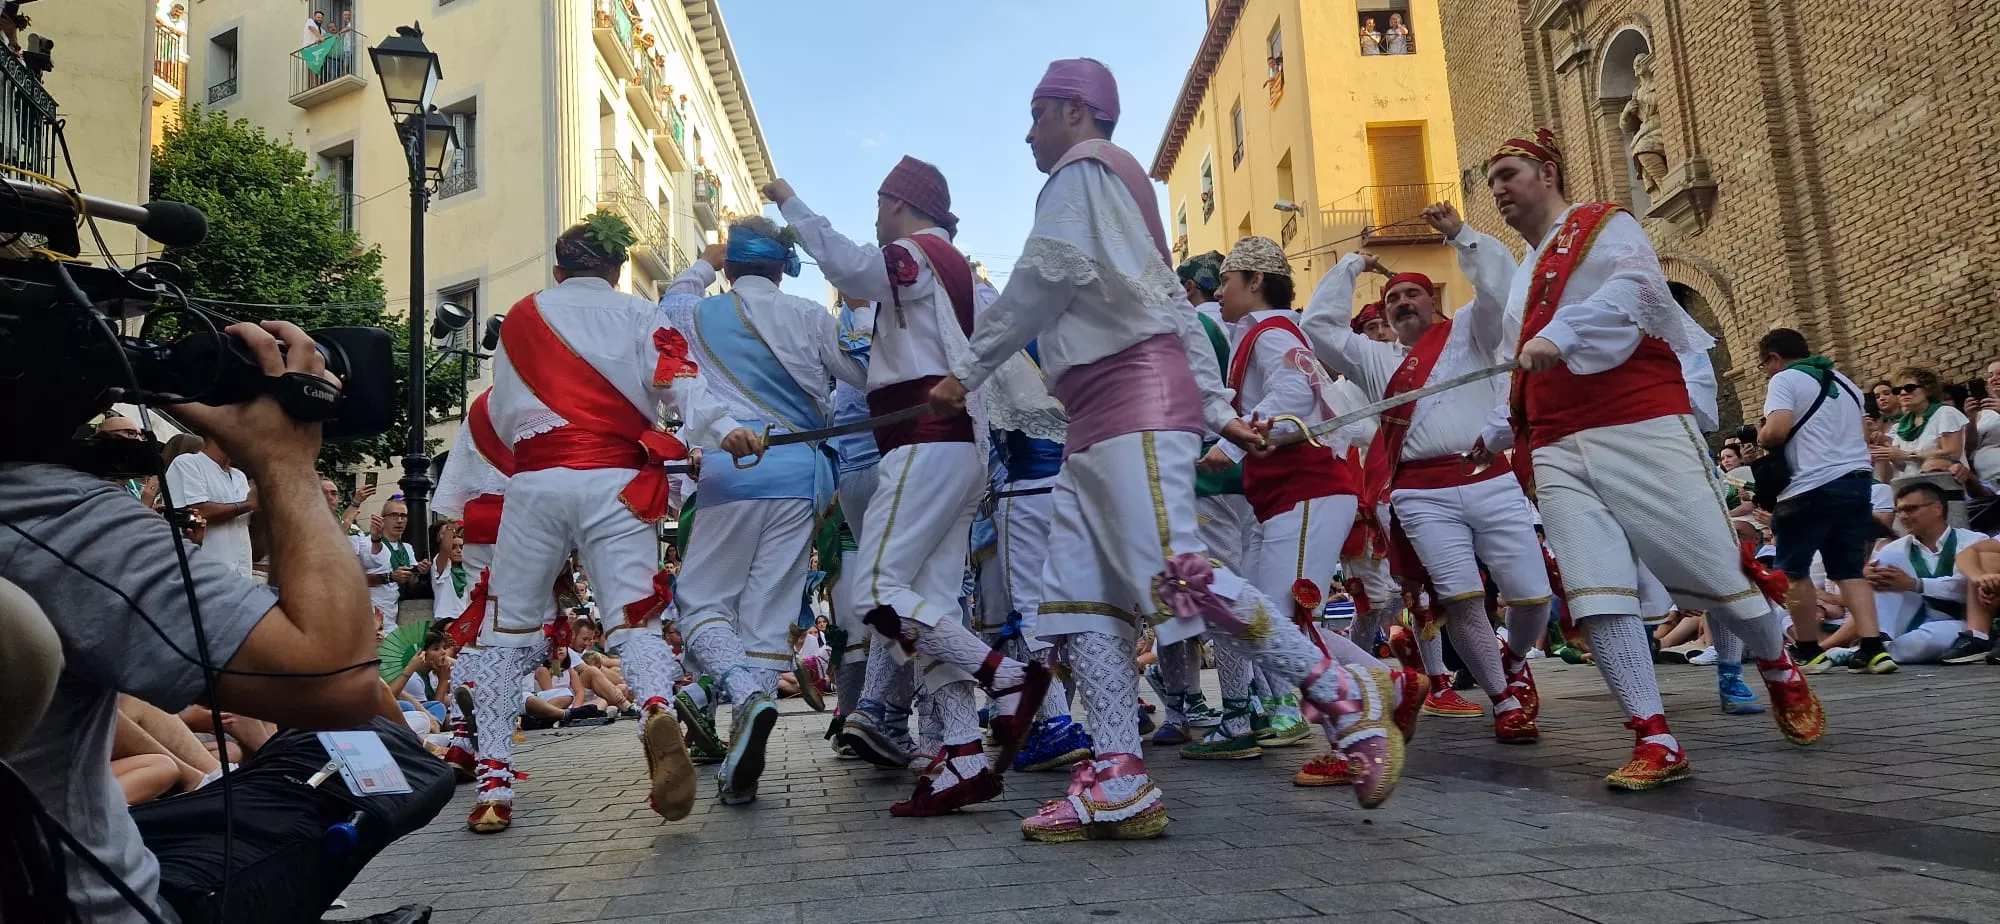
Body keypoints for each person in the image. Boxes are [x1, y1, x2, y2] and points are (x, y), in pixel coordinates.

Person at [929, 59, 1418, 838]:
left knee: (1177, 572)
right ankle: (1119, 774)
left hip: (1127, 406)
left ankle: (1337, 691)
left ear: (1073, 111)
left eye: (1037, 113)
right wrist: (1220, 411)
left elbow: (1041, 277)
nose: (1028, 132)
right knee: (1080, 597)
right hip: (1100, 415)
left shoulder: (1080, 172)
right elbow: (1169, 305)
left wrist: (966, 370)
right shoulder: (1118, 189)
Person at [2, 320, 397, 923]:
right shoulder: (40, 510)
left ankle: (222, 776)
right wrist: (287, 463)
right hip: (82, 903)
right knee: (371, 758)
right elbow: (336, 682)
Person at [1472, 129, 1821, 790]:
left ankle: (1777, 662)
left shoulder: (1605, 225)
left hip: (1635, 419)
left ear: (1547, 171)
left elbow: (1640, 293)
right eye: (1492, 181)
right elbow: (1511, 367)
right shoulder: (1524, 275)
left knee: (1714, 567)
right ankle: (1653, 735)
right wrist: (1495, 429)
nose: (1498, 190)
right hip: (1553, 441)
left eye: (1509, 174)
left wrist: (1564, 331)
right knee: (1594, 586)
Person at [459, 213, 762, 834]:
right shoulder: (638, 314)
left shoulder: (519, 316)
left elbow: (504, 408)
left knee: (506, 635)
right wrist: (723, 429)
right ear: (617, 269)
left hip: (536, 486)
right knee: (635, 621)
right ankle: (655, 707)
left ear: (558, 269)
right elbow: (680, 382)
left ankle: (493, 785)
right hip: (619, 485)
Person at [768, 156, 1047, 817]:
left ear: (900, 203)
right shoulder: (958, 271)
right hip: (956, 447)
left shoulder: (913, 255)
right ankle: (963, 759)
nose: (875, 217)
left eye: (880, 205)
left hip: (925, 443)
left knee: (875, 593)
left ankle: (1008, 679)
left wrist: (790, 201)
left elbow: (853, 266)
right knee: (928, 608)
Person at [1300, 201, 1552, 747]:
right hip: (1420, 493)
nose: (1400, 303)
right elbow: (1317, 326)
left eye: (1411, 293)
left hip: (1488, 476)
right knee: (1460, 598)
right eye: (1393, 300)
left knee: (1532, 597)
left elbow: (1501, 292)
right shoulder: (1371, 359)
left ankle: (1511, 659)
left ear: (1432, 301)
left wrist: (1461, 236)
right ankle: (1505, 700)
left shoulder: (1470, 331)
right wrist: (1351, 266)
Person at [660, 219, 867, 800]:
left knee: (701, 599)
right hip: (804, 476)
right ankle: (738, 756)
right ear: (783, 267)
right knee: (767, 613)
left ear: (732, 267)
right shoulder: (810, 316)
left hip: (732, 470)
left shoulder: (693, 316)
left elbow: (671, 303)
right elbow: (863, 373)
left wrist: (704, 260)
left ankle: (738, 692)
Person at [1177, 236, 1383, 760]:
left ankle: (1364, 721)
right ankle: (1381, 686)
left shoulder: (1272, 331)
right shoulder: (1263, 332)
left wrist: (1229, 443)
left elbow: (1294, 396)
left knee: (1278, 624)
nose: (1219, 290)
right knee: (1269, 623)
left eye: (1226, 280)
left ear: (1256, 283)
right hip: (1293, 495)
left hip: (1307, 490)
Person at [1753, 329, 1891, 673]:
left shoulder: (1785, 379)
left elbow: (1776, 431)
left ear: (1773, 358)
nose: (1766, 372)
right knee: (1847, 569)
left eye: (1763, 365)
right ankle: (1873, 649)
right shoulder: (1844, 381)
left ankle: (1809, 648)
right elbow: (1862, 435)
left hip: (1809, 486)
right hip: (1856, 483)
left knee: (1793, 570)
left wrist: (1761, 433)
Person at [1857, 482, 1981, 664]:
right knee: (1884, 566)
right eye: (1898, 511)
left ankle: (1871, 651)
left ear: (1937, 508)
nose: (1903, 517)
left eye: (1910, 509)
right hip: (1908, 621)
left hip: (1961, 623)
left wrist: (1914, 584)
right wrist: (1867, 576)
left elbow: (1966, 588)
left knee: (1923, 642)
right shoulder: (1895, 549)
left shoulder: (1973, 541)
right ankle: (1878, 640)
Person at [164, 429, 255, 577]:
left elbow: (247, 525)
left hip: (240, 578)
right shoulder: (187, 463)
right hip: (201, 577)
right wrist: (247, 504)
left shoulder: (240, 476)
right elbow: (198, 513)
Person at [1876, 367, 1967, 480]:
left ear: (1928, 390)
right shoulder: (1903, 425)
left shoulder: (1944, 413)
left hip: (1945, 481)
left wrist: (1908, 455)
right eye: (1897, 390)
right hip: (1913, 485)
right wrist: (1889, 453)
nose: (1903, 393)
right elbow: (1904, 466)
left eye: (1910, 388)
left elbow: (1953, 452)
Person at [354, 496, 422, 634]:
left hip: (391, 618)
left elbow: (412, 583)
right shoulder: (365, 542)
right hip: (368, 616)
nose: (399, 520)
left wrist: (418, 572)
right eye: (394, 515)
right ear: (383, 519)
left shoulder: (407, 548)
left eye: (403, 516)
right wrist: (390, 577)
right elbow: (357, 580)